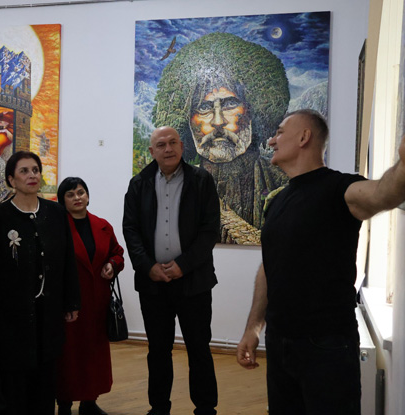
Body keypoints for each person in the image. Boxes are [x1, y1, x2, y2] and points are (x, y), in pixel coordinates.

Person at [236, 109, 405, 415]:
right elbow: (270, 267)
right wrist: (253, 328)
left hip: (327, 345)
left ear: (304, 137)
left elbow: (382, 193)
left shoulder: (339, 188)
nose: (271, 140)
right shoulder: (278, 201)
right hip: (280, 341)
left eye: (280, 132)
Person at [123, 126, 220, 415]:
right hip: (153, 284)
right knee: (158, 350)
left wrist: (183, 265)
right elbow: (130, 230)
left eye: (173, 142)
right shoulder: (138, 184)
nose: (168, 149)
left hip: (194, 282)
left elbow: (209, 231)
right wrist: (147, 266)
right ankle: (159, 408)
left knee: (199, 348)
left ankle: (205, 408)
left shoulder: (201, 181)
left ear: (182, 146)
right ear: (151, 151)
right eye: (161, 144)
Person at [152, 32, 290, 236]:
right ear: (186, 121)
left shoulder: (285, 186)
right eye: (204, 108)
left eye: (230, 104)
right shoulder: (168, 188)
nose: (218, 121)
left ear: (254, 110)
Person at [0, 151, 81, 415]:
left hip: (49, 313)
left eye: (35, 170)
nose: (32, 175)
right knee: (13, 384)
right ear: (11, 179)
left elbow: (68, 259)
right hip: (10, 315)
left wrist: (71, 301)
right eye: (24, 171)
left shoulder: (56, 213)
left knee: (45, 380)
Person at [55, 177, 125, 415]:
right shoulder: (57, 227)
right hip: (68, 303)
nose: (77, 198)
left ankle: (89, 402)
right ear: (62, 200)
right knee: (68, 356)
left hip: (97, 303)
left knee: (93, 355)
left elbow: (118, 253)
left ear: (87, 195)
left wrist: (112, 264)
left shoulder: (102, 225)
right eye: (70, 194)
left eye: (81, 192)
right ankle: (64, 403)